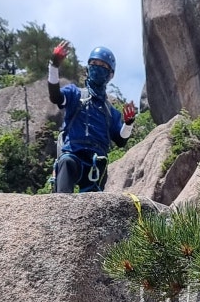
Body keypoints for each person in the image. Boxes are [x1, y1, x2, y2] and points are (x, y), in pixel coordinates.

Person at [47, 43, 137, 193]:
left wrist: (128, 123)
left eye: (103, 65)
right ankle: (59, 206)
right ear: (88, 67)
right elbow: (55, 96)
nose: (97, 67)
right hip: (73, 154)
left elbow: (121, 141)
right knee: (67, 162)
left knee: (95, 198)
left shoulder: (110, 112)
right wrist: (54, 66)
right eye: (94, 63)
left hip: (96, 164)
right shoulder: (75, 94)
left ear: (111, 74)